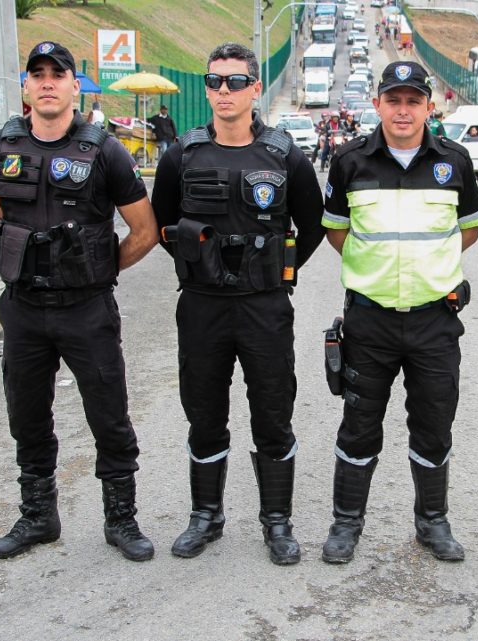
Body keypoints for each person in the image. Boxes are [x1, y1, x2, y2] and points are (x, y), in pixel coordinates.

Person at [0, 42, 160, 562]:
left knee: (109, 413)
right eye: (36, 74)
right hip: (23, 308)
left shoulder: (105, 150)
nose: (46, 83)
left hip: (86, 307)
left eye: (57, 74)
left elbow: (145, 231)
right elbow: (0, 216)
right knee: (27, 413)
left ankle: (121, 519)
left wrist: (96, 268)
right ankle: (39, 516)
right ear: (26, 88)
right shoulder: (2, 146)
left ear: (73, 85)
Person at [151, 42, 325, 566]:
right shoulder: (182, 154)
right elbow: (162, 224)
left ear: (255, 88)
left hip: (264, 306)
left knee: (273, 412)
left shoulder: (283, 155)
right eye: (214, 81)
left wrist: (269, 267)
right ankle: (206, 515)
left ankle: (277, 522)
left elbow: (312, 225)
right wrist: (203, 263)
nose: (222, 91)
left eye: (234, 81)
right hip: (202, 306)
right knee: (203, 411)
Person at [319, 61, 478, 564]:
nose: (403, 110)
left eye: (413, 100)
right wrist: (376, 271)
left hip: (434, 321)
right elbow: (336, 231)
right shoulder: (349, 161)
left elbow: (470, 229)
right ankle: (346, 525)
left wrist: (429, 269)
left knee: (434, 424)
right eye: (393, 100)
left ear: (428, 107)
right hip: (369, 320)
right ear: (377, 105)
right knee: (359, 424)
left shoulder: (453, 162)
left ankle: (432, 524)